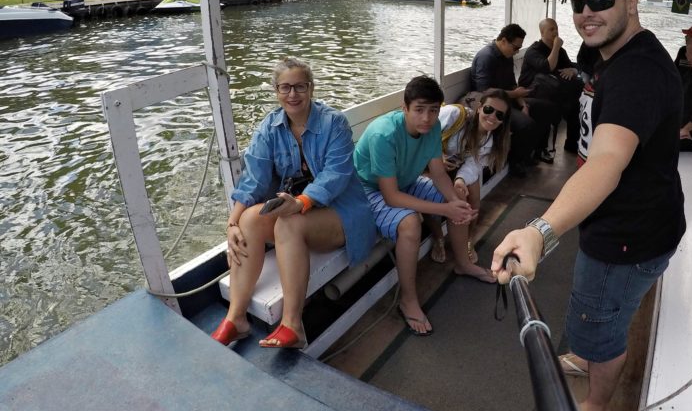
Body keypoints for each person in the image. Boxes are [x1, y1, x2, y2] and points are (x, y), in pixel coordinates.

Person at [491, 0, 685, 411]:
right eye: (578, 3)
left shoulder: (637, 72)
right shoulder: (604, 54)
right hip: (615, 217)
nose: (586, 12)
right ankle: (583, 352)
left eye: (601, 1)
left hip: (628, 232)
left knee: (602, 319)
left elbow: (607, 160)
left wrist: (540, 231)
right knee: (594, 306)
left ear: (632, 2)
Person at [211, 57, 377, 349]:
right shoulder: (270, 128)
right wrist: (232, 222)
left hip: (339, 213)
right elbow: (255, 178)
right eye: (285, 87)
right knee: (251, 219)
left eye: (300, 86)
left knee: (288, 222)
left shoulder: (333, 122)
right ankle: (236, 318)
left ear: (311, 88)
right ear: (276, 90)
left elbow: (335, 175)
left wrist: (300, 202)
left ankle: (293, 325)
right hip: (297, 211)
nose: (293, 94)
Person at [354, 75, 494, 336]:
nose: (427, 118)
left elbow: (439, 174)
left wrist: (455, 202)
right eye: (419, 110)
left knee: (457, 199)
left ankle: (462, 263)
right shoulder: (383, 134)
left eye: (433, 110)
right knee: (410, 224)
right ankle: (408, 300)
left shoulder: (431, 130)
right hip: (368, 191)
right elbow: (391, 197)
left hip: (405, 181)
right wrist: (445, 210)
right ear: (404, 108)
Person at [430, 88, 513, 264]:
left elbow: (473, 165)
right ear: (479, 108)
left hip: (455, 166)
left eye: (499, 115)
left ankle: (468, 238)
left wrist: (460, 180)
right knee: (432, 193)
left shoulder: (489, 140)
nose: (492, 117)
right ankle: (438, 238)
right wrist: (436, 156)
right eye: (489, 110)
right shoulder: (454, 115)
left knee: (474, 197)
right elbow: (426, 132)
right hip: (428, 162)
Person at [470, 23, 558, 176]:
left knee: (547, 108)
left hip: (508, 99)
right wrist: (515, 95)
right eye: (515, 48)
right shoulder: (487, 57)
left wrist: (522, 103)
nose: (516, 52)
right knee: (526, 125)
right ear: (503, 41)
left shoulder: (507, 56)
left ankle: (535, 150)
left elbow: (512, 84)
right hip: (493, 104)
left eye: (519, 48)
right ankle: (515, 162)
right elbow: (484, 92)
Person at [518, 18, 583, 154]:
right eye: (551, 29)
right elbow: (548, 67)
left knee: (575, 105)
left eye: (556, 29)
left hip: (551, 91)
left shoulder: (561, 51)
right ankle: (539, 149)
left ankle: (571, 144)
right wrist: (556, 47)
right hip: (530, 91)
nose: (555, 32)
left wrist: (573, 70)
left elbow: (572, 66)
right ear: (542, 32)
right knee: (552, 105)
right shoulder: (533, 50)